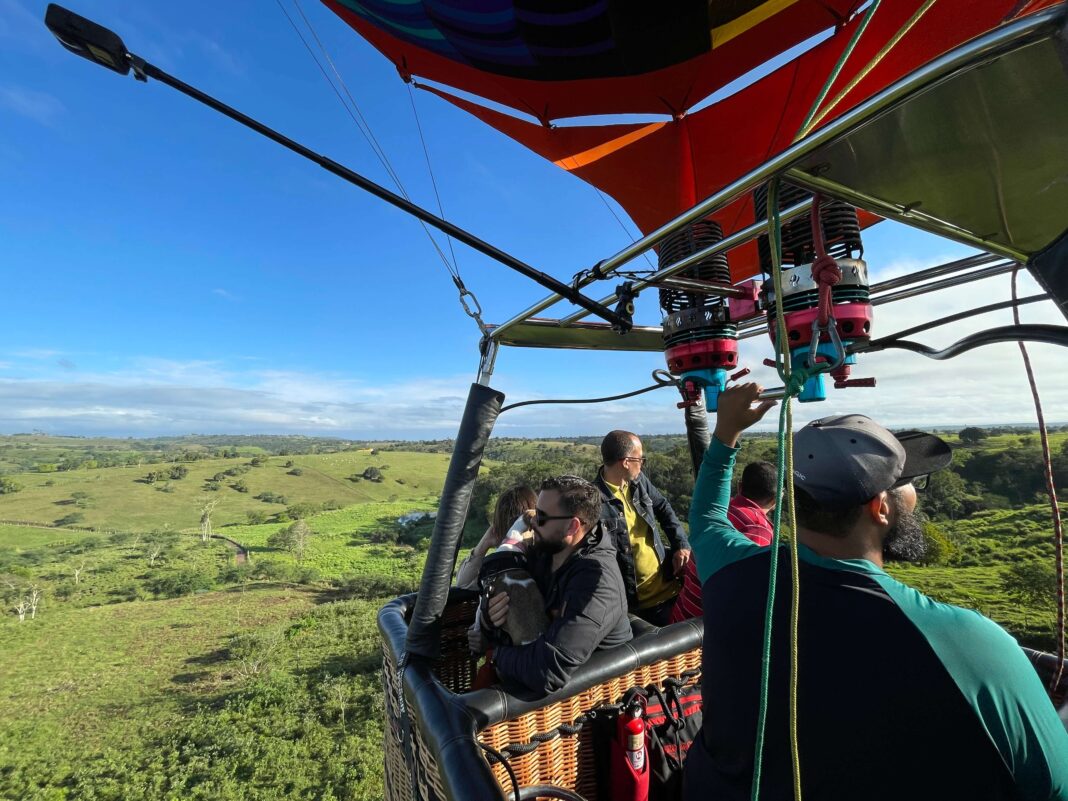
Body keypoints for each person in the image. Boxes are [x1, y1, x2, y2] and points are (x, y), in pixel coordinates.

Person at [683, 383, 1068, 800]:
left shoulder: (729, 572)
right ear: (880, 507)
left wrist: (725, 432)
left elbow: (706, 517)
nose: (915, 491)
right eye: (906, 481)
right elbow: (1053, 785)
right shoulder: (970, 643)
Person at [472, 474, 633, 695]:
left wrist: (498, 655)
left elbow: (548, 670)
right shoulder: (546, 552)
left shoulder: (598, 583)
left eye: (542, 517)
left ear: (572, 526)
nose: (533, 522)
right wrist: (491, 619)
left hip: (594, 700)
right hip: (548, 690)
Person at [596, 430, 691, 625]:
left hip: (671, 587)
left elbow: (663, 507)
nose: (642, 464)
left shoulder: (638, 483)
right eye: (640, 459)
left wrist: (681, 544)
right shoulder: (594, 502)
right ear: (626, 462)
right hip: (637, 606)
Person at [669, 460, 776, 623]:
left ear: (740, 486)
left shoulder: (718, 511)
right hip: (700, 632)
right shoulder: (758, 529)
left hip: (681, 616)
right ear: (775, 500)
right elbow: (745, 588)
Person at [455, 485, 537, 590]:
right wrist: (484, 543)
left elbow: (463, 584)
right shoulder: (499, 562)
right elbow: (463, 584)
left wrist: (483, 546)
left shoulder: (498, 566)